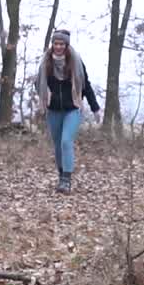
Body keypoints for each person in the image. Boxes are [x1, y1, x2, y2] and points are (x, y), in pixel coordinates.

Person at [36, 29, 101, 193]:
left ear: (66, 45)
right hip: (54, 110)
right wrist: (45, 97)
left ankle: (66, 179)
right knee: (57, 145)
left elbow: (85, 85)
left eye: (61, 44)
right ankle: (61, 176)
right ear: (52, 44)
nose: (58, 47)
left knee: (66, 142)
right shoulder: (46, 62)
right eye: (56, 43)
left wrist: (95, 108)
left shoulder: (76, 62)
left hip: (73, 108)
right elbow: (38, 83)